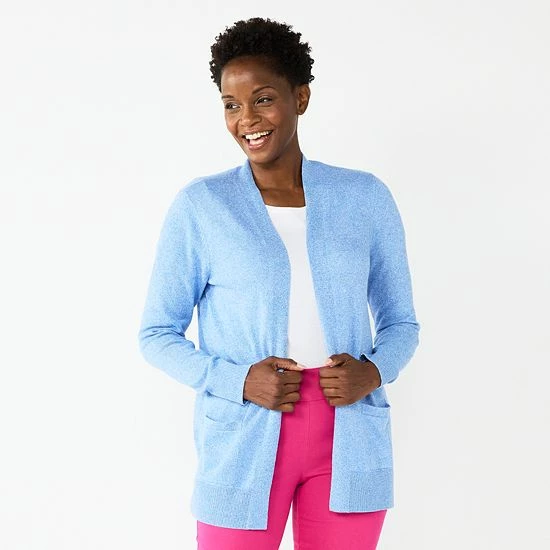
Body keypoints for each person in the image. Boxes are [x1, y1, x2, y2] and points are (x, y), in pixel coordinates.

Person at [138, 17, 420, 550]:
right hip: (243, 436)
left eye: (263, 99)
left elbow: (401, 321)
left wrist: (374, 371)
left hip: (349, 436)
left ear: (301, 97)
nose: (247, 119)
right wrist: (239, 381)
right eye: (231, 105)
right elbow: (156, 334)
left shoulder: (364, 198)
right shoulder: (203, 206)